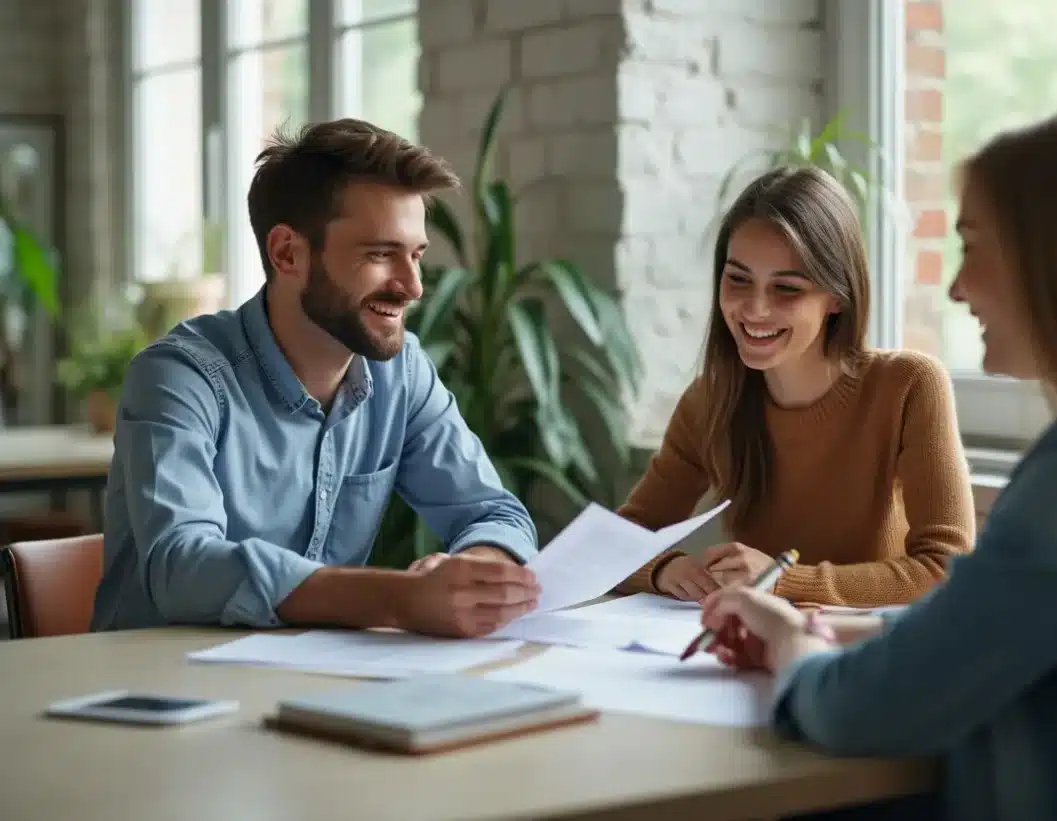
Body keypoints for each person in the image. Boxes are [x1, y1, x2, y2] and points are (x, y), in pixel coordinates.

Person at [701, 105, 1057, 820]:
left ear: (1056, 259)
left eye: (973, 246)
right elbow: (994, 621)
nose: (958, 288)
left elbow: (857, 710)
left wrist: (789, 643)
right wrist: (837, 627)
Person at [92, 120, 540, 637]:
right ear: (288, 254)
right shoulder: (180, 376)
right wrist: (396, 598)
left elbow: (495, 512)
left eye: (415, 254)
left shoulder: (402, 372)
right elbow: (183, 566)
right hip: (161, 690)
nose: (414, 286)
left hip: (316, 680)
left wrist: (474, 570)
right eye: (379, 254)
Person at [616, 166, 975, 607]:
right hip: (748, 651)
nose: (754, 309)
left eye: (786, 288)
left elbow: (946, 569)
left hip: (866, 654)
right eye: (738, 280)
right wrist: (664, 568)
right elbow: (617, 542)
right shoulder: (709, 402)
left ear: (837, 298)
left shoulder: (909, 386)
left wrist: (781, 580)